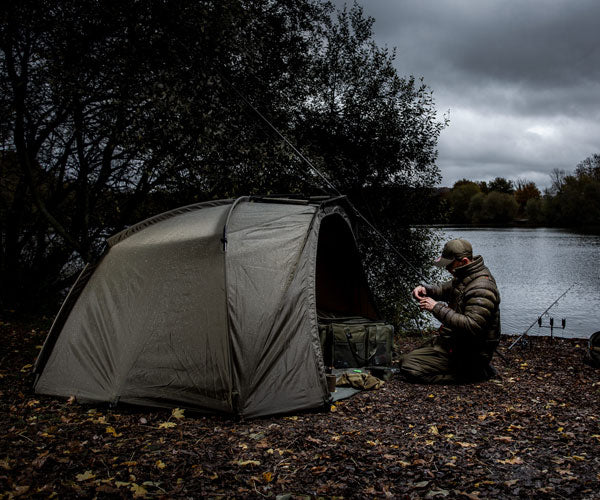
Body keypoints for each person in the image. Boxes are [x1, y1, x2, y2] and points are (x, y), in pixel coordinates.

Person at [400, 238, 501, 383]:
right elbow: (443, 289)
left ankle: (474, 374)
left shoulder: (481, 287)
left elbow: (472, 325)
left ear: (464, 261)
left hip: (472, 352)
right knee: (410, 357)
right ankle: (474, 370)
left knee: (409, 367)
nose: (446, 269)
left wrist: (436, 307)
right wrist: (425, 289)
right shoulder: (464, 276)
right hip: (457, 343)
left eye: (449, 265)